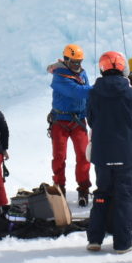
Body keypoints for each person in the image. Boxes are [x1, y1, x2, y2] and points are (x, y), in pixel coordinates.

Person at [85, 51, 132, 254]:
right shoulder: (131, 93)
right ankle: (122, 243)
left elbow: (90, 119)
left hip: (102, 152)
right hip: (126, 152)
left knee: (102, 194)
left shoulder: (93, 92)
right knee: (124, 196)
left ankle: (95, 239)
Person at [47, 43, 93, 206]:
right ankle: (59, 187)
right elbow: (77, 92)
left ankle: (83, 189)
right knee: (59, 157)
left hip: (78, 120)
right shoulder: (59, 76)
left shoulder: (82, 73)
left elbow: (86, 97)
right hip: (61, 121)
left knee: (83, 156)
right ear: (66, 60)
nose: (77, 65)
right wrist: (101, 87)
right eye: (74, 62)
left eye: (79, 62)